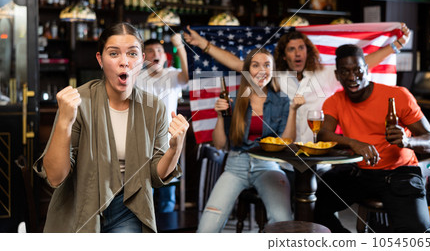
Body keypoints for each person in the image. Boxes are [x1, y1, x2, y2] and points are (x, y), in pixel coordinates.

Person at [33, 22, 189, 233]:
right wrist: (64, 123)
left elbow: (156, 176)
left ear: (142, 60)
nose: (124, 62)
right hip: (81, 206)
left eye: (132, 54)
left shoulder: (155, 108)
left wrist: (175, 148)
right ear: (100, 59)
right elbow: (55, 177)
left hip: (129, 208)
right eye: (114, 53)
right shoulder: (78, 101)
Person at [183, 24, 410, 144]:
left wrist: (396, 46)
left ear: (308, 51)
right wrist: (203, 44)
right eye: (291, 49)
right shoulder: (276, 77)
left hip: (320, 152)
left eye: (301, 48)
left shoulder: (327, 74)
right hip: (287, 152)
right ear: (284, 54)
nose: (297, 53)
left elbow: (362, 64)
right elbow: (241, 65)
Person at [314, 44, 430, 233]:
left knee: (417, 234)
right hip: (362, 173)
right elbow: (323, 134)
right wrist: (353, 142)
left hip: (400, 174)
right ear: (337, 75)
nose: (352, 76)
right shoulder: (334, 101)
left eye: (357, 70)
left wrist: (408, 142)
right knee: (317, 206)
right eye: (345, 71)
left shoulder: (398, 95)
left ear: (367, 69)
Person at [196, 48, 305, 232]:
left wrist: (293, 110)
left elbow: (285, 141)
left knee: (282, 222)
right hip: (235, 166)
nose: (262, 70)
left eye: (266, 65)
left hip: (269, 166)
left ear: (273, 69)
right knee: (206, 228)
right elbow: (220, 145)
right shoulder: (233, 99)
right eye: (255, 65)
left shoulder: (282, 101)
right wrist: (220, 116)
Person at [135, 33, 189, 213]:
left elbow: (187, 77)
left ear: (165, 57)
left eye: (159, 50)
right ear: (143, 58)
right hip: (141, 139)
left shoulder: (172, 74)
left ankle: (167, 224)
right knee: (143, 186)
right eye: (149, 51)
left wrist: (179, 47)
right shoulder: (136, 77)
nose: (155, 53)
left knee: (167, 186)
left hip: (168, 140)